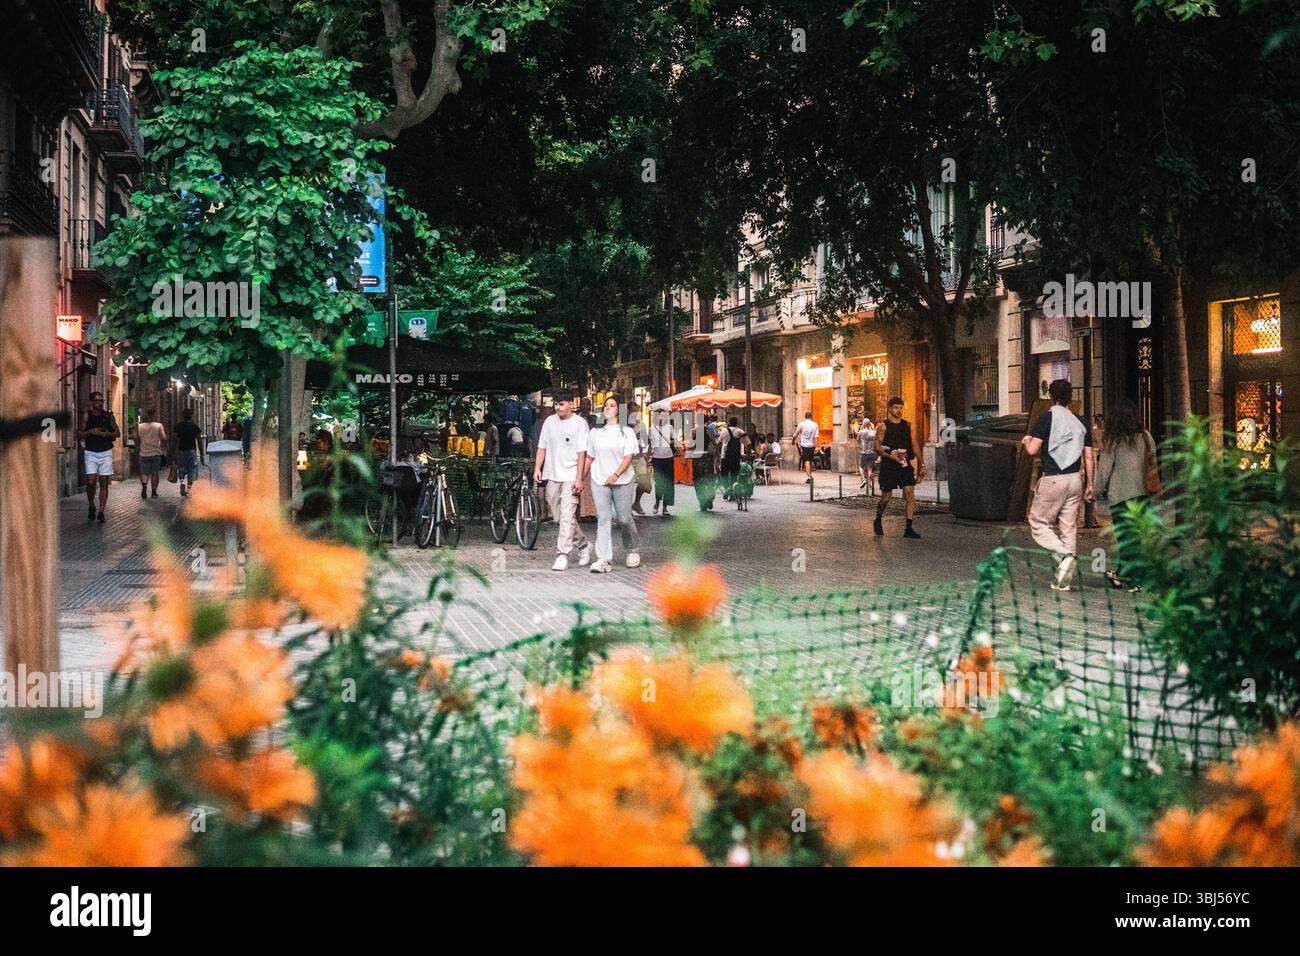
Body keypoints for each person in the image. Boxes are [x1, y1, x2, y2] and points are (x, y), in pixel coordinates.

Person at [1022, 378, 1095, 591]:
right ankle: (1064, 580)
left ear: (1051, 396)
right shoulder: (1081, 422)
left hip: (1053, 477)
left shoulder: (1047, 418)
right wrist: (1090, 483)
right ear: (1070, 398)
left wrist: (1027, 439)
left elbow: (1033, 450)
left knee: (1037, 522)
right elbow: (1089, 456)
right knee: (1068, 527)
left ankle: (1064, 556)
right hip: (1075, 480)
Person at [1095, 400, 1155, 592]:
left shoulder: (1114, 440)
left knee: (1126, 538)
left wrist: (1096, 491)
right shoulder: (1146, 437)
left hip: (1120, 495)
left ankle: (1135, 580)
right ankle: (1121, 575)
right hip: (1142, 494)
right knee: (1135, 536)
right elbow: (1152, 461)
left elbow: (1104, 471)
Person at [581, 396, 641, 572]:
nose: (608, 408)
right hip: (599, 479)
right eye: (606, 405)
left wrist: (616, 474)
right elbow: (589, 457)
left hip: (623, 480)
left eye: (612, 405)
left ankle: (632, 549)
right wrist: (580, 478)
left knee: (624, 518)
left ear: (619, 410)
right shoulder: (595, 433)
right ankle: (604, 558)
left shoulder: (627, 432)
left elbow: (629, 456)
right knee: (604, 518)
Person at [534, 394, 592, 571]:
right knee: (560, 516)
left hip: (571, 475)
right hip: (552, 474)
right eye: (556, 404)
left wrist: (579, 477)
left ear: (570, 404)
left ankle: (562, 554)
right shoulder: (549, 422)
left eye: (561, 404)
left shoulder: (579, 424)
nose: (558, 407)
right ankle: (583, 544)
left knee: (567, 515)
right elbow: (541, 447)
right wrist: (538, 468)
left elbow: (582, 452)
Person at [875, 397, 925, 539]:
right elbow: (877, 448)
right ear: (889, 408)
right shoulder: (883, 426)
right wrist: (891, 456)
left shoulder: (907, 425)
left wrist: (922, 464)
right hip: (889, 465)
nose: (898, 410)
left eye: (900, 407)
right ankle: (878, 519)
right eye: (896, 407)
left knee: (910, 493)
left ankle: (908, 528)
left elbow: (914, 446)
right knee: (886, 497)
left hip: (904, 464)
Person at [80, 390, 119, 523]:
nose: (100, 403)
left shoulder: (108, 416)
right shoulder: (87, 416)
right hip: (90, 452)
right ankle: (91, 505)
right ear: (92, 402)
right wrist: (91, 431)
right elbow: (79, 434)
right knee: (91, 481)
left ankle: (101, 511)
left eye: (101, 401)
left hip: (106, 452)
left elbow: (117, 433)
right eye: (97, 401)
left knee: (103, 482)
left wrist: (105, 434)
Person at [649, 409, 678, 517]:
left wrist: (676, 447)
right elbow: (650, 444)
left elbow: (676, 440)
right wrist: (647, 456)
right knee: (659, 482)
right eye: (660, 416)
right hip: (657, 458)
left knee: (668, 483)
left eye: (664, 416)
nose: (662, 418)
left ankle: (665, 506)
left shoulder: (669, 427)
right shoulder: (652, 429)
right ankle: (657, 502)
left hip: (668, 457)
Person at [626, 401, 652, 515]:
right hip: (626, 457)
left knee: (645, 483)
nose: (635, 413)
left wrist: (647, 453)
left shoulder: (641, 424)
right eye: (632, 411)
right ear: (627, 411)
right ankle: (626, 507)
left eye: (636, 411)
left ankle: (636, 503)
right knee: (627, 484)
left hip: (639, 456)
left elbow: (645, 441)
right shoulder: (622, 425)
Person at [136, 408, 167, 500]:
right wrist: (163, 447)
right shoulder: (158, 426)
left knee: (144, 472)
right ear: (154, 415)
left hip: (143, 453)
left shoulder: (139, 426)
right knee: (155, 473)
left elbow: (136, 439)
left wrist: (140, 445)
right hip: (155, 453)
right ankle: (153, 492)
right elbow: (164, 438)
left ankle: (145, 486)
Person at [174, 408, 204, 498]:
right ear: (191, 416)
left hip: (181, 451)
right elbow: (199, 441)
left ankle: (182, 482)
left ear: (183, 416)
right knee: (192, 470)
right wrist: (202, 454)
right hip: (191, 451)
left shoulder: (178, 426)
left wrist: (173, 453)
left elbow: (175, 440)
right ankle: (188, 490)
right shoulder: (194, 427)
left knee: (181, 468)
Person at [719, 416, 746, 499]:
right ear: (736, 423)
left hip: (725, 456)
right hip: (736, 457)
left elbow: (719, 442)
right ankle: (732, 490)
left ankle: (727, 488)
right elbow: (747, 443)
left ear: (729, 422)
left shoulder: (724, 431)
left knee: (724, 474)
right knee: (734, 475)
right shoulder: (740, 431)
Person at [793, 411, 819, 483]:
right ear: (811, 417)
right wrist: (816, 447)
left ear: (805, 417)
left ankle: (809, 477)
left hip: (805, 445)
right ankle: (810, 475)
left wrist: (793, 440)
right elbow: (816, 437)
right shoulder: (815, 424)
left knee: (806, 461)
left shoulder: (801, 424)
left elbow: (795, 434)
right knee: (810, 461)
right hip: (812, 445)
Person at [858, 417, 878, 492]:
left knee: (861, 467)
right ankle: (870, 483)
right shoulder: (873, 432)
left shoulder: (861, 432)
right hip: (872, 453)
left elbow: (858, 440)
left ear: (863, 424)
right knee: (870, 469)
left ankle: (863, 479)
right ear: (869, 424)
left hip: (864, 452)